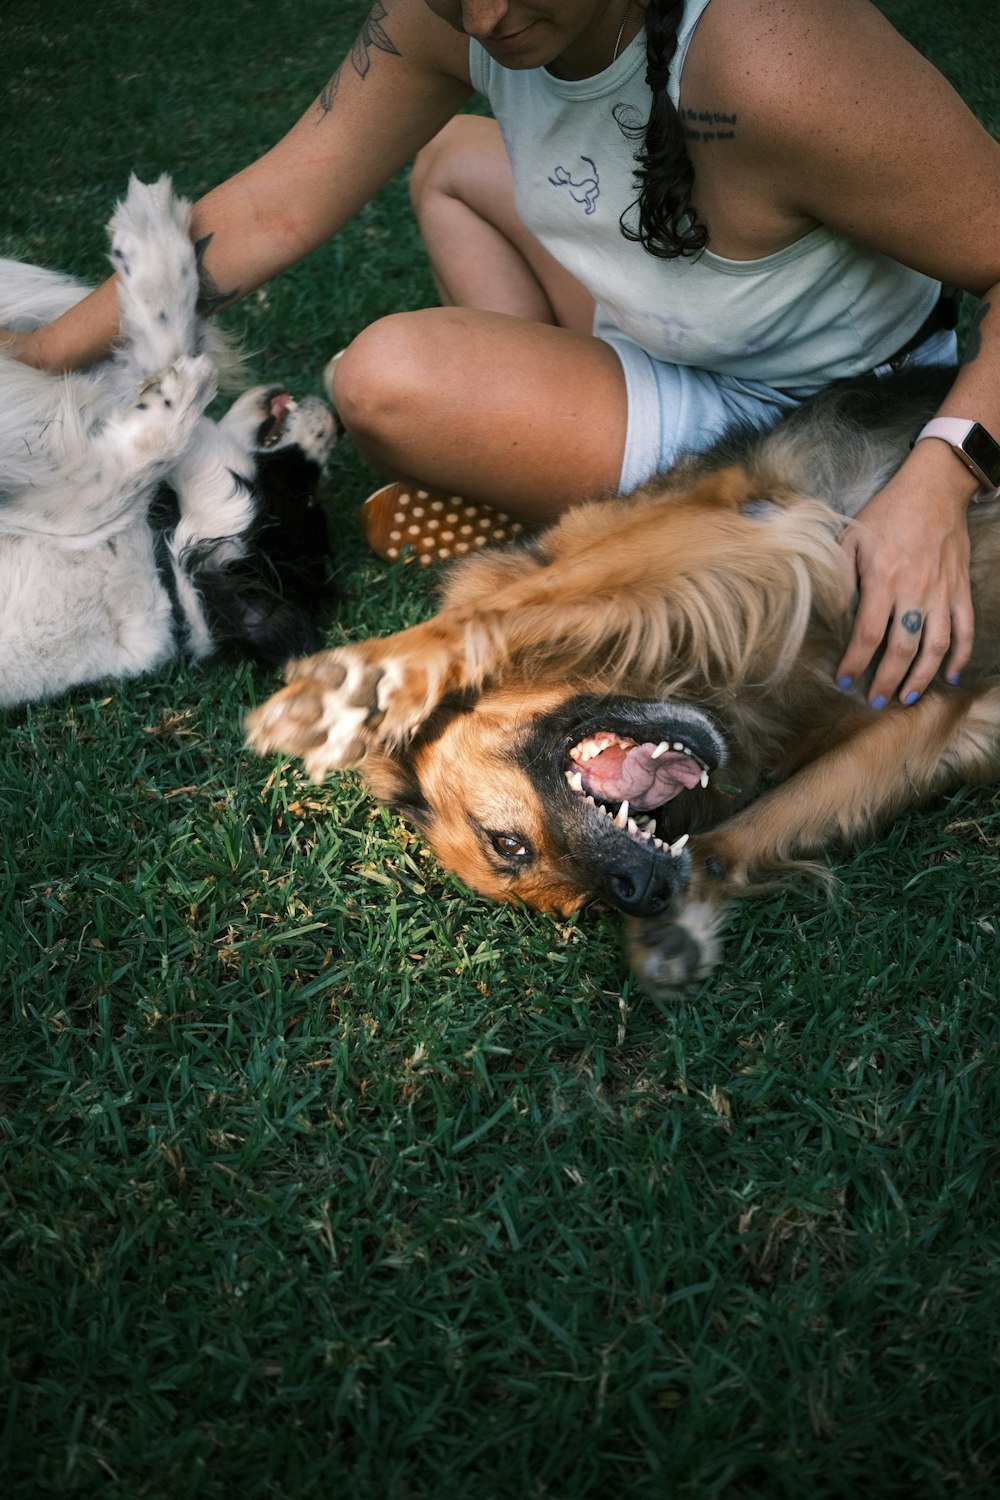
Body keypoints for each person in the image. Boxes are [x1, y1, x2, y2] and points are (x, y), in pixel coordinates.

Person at [4, 0, 1000, 711]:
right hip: (665, 319)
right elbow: (275, 204)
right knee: (454, 165)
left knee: (382, 382)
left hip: (821, 426)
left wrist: (938, 479)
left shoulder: (776, 56)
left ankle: (630, 511)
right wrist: (41, 347)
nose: (483, 19)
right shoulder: (452, 18)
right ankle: (557, 454)